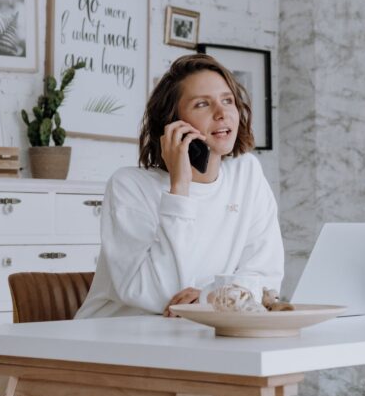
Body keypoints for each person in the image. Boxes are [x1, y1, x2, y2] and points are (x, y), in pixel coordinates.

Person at [75, 53, 284, 318]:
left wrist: (209, 298)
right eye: (202, 104)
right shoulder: (129, 186)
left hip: (198, 333)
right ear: (172, 123)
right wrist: (180, 187)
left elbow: (266, 280)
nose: (221, 114)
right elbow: (160, 295)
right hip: (117, 338)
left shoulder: (248, 173)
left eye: (227, 100)